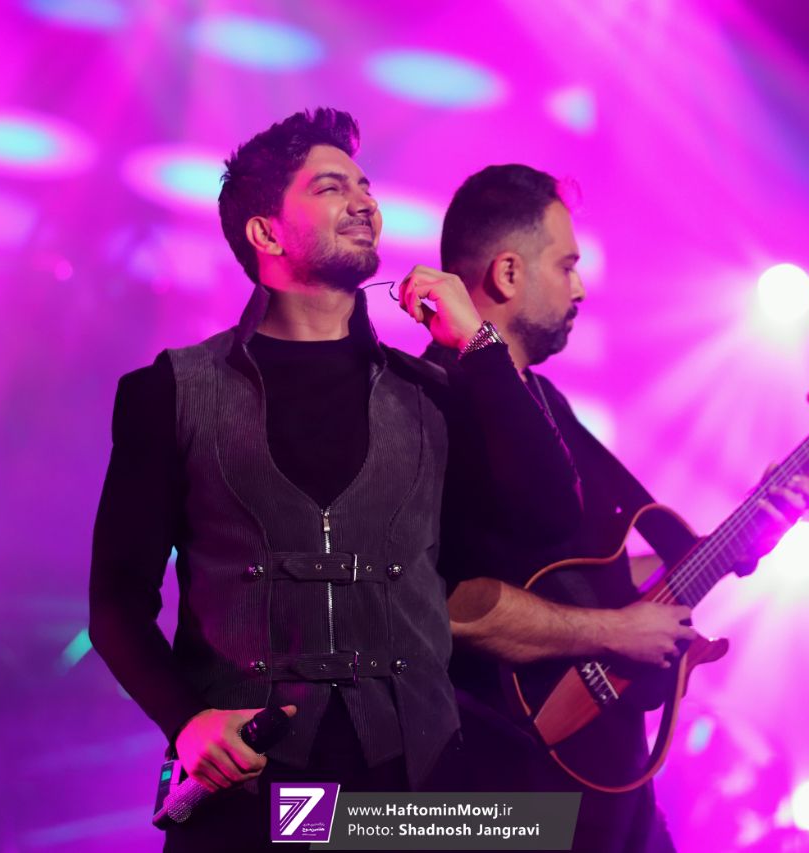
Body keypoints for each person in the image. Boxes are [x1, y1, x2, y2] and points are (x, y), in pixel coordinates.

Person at [88, 112, 580, 851]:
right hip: (254, 800)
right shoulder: (170, 392)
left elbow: (552, 518)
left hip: (416, 799)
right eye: (330, 187)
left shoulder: (433, 392)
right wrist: (186, 721)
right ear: (266, 232)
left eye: (364, 186)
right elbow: (116, 602)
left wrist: (477, 344)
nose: (364, 202)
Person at [425, 164, 809, 852]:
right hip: (508, 796)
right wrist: (614, 633)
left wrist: (741, 538)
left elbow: (591, 575)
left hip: (608, 795)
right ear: (509, 273)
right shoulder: (434, 402)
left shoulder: (544, 402)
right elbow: (443, 605)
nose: (580, 287)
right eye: (566, 265)